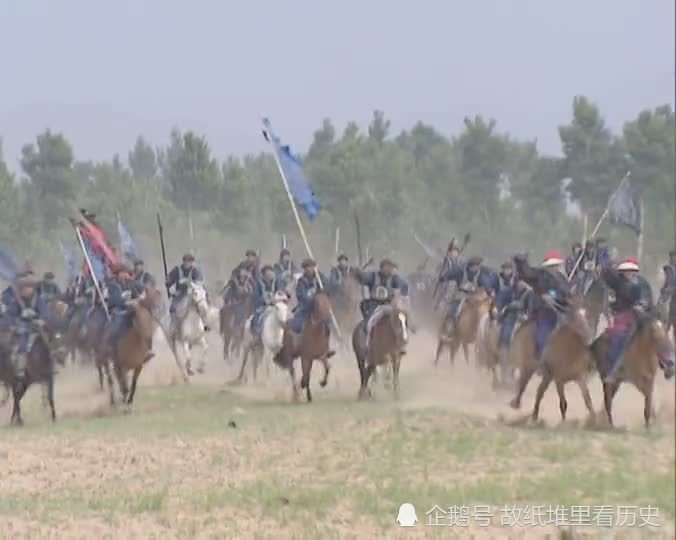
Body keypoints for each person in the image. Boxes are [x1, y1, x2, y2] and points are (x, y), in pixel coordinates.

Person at [601, 256, 654, 383]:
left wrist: (642, 304)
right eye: (626, 270)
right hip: (623, 315)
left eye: (631, 270)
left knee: (658, 333)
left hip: (642, 316)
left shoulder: (642, 282)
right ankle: (612, 370)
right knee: (619, 338)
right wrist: (607, 265)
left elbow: (646, 296)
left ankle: (668, 362)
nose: (628, 273)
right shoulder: (617, 281)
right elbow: (606, 276)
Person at [513, 250, 572, 363]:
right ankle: (541, 359)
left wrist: (558, 298)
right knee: (542, 335)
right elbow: (526, 274)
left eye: (555, 265)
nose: (554, 267)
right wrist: (521, 262)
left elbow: (566, 294)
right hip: (544, 311)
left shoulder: (561, 278)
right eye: (551, 265)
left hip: (562, 311)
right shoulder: (540, 274)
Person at [6, 273, 50, 381]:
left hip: (37, 326)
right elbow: (11, 315)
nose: (28, 290)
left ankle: (52, 360)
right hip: (23, 327)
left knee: (47, 341)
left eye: (30, 287)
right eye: (26, 288)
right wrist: (15, 324)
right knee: (22, 345)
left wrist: (42, 320)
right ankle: (20, 370)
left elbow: (45, 312)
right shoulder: (17, 301)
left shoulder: (38, 300)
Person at [438, 256, 493, 329]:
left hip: (474, 296)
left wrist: (489, 291)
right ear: (470, 266)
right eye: (475, 266)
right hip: (461, 294)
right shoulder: (461, 271)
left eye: (477, 266)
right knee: (454, 309)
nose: (476, 268)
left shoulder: (481, 275)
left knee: (479, 310)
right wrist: (444, 277)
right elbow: (451, 273)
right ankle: (449, 326)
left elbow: (486, 283)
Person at [166, 253, 209, 332]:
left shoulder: (195, 270)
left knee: (202, 306)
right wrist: (168, 281)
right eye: (186, 261)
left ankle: (205, 324)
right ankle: (173, 325)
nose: (188, 263)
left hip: (192, 293)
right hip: (180, 293)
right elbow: (170, 280)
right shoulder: (177, 269)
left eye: (190, 261)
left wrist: (189, 283)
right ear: (183, 261)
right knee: (173, 308)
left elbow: (199, 282)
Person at [289, 259, 329, 338]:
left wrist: (323, 291)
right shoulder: (301, 281)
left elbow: (327, 289)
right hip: (305, 307)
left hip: (319, 308)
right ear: (304, 269)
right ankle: (297, 342)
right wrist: (311, 301)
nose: (309, 269)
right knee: (296, 324)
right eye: (307, 267)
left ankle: (327, 344)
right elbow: (301, 295)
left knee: (328, 323)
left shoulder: (320, 279)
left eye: (311, 267)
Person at [250, 265, 284, 337]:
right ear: (264, 275)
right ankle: (256, 334)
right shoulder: (259, 284)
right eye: (268, 274)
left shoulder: (277, 282)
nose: (270, 276)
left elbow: (281, 292)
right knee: (257, 317)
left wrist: (279, 297)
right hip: (263, 306)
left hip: (276, 305)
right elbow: (256, 297)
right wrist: (265, 301)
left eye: (271, 273)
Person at [658, 250, 676, 329]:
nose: (674, 259)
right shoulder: (668, 268)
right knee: (664, 311)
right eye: (673, 257)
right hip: (668, 293)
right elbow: (667, 282)